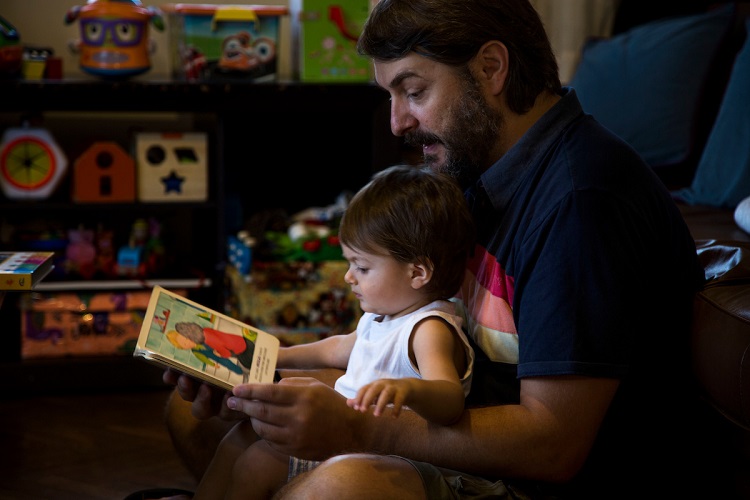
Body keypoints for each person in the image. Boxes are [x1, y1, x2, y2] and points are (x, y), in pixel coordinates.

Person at [160, 0, 713, 498]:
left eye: (415, 91)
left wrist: (354, 428)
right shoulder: (478, 169)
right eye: (392, 96)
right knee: (198, 415)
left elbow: (553, 444)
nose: (399, 122)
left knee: (337, 490)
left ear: (491, 69)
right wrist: (263, 376)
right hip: (463, 418)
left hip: (545, 481)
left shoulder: (582, 200)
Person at [185, 165, 475, 500]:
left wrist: (409, 389)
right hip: (344, 438)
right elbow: (339, 348)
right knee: (239, 437)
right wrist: (275, 353)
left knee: (258, 463)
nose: (349, 277)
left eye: (362, 267)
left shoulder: (429, 329)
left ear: (418, 272)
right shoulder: (384, 316)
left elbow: (450, 400)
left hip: (379, 458)